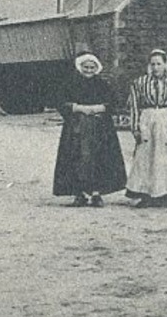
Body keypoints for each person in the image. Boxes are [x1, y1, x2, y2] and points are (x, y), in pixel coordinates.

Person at [52, 52, 127, 207]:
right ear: (80, 67)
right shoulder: (71, 84)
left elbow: (114, 102)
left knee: (98, 158)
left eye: (92, 67)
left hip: (100, 128)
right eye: (85, 67)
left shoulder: (102, 84)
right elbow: (60, 101)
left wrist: (99, 108)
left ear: (96, 68)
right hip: (76, 128)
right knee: (77, 158)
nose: (88, 70)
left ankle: (96, 193)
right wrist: (78, 108)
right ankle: (79, 193)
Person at [125, 49, 167, 211]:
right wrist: (135, 128)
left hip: (166, 120)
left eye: (159, 64)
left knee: (165, 159)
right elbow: (134, 107)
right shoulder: (139, 83)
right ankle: (146, 195)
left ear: (166, 64)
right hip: (147, 120)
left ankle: (166, 195)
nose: (156, 67)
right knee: (146, 158)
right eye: (153, 64)